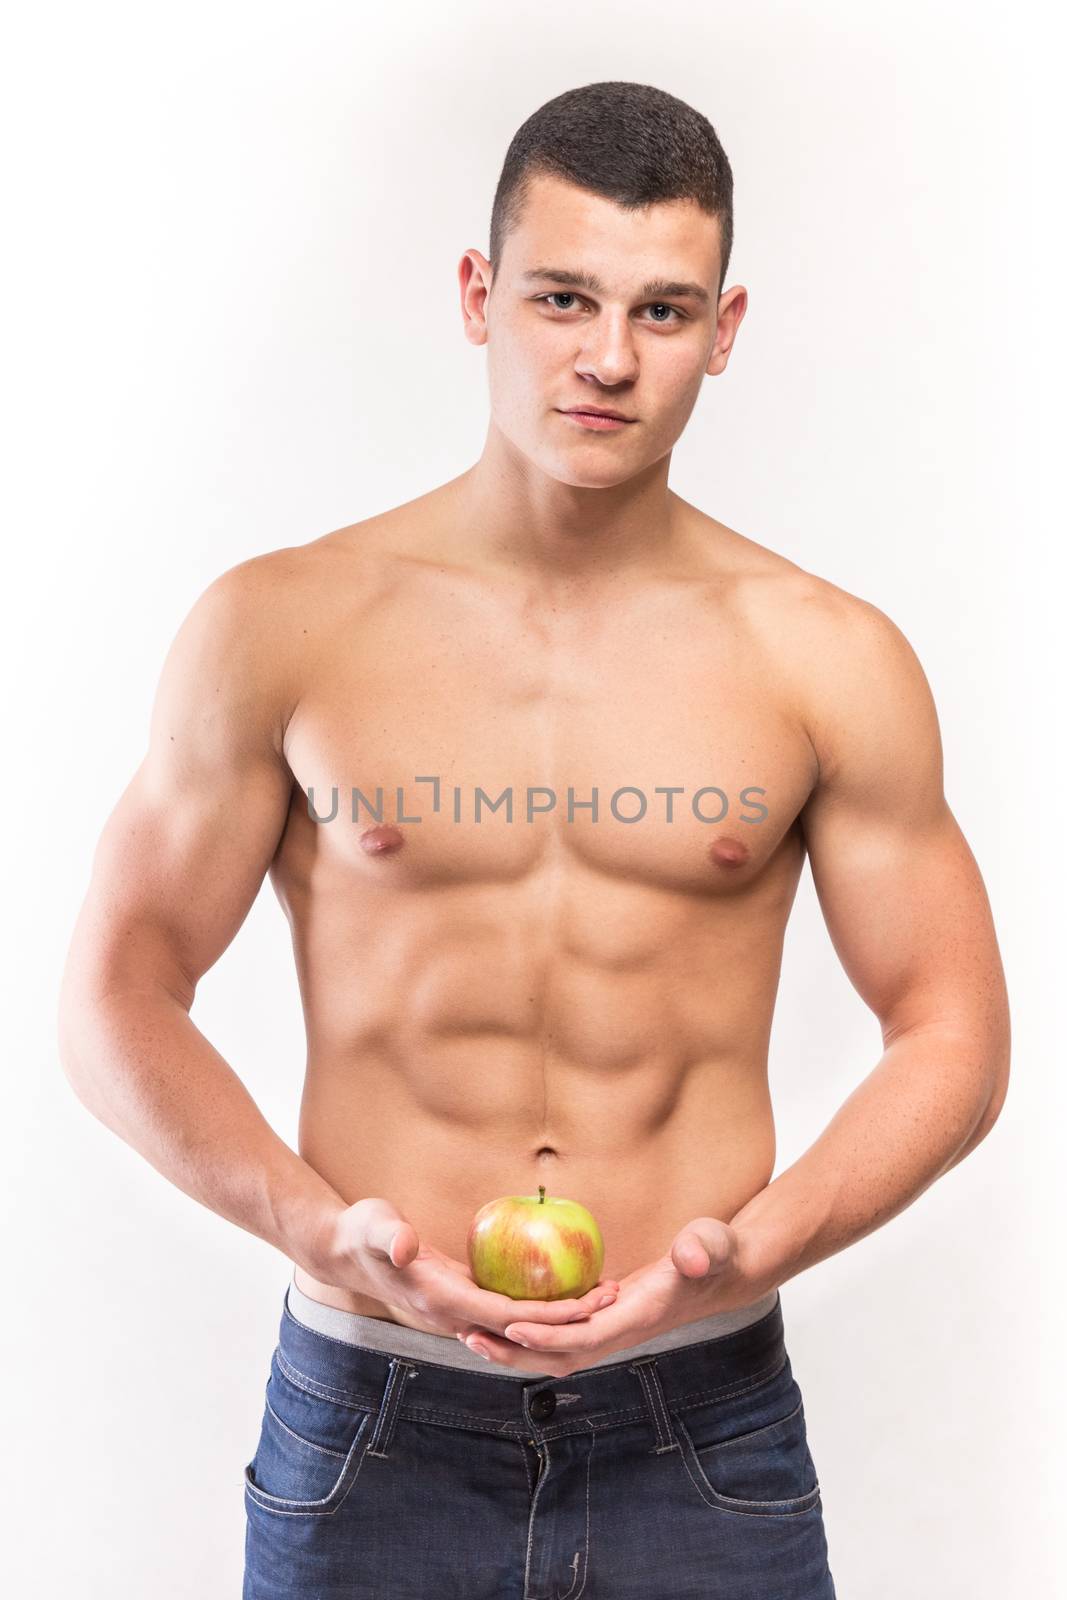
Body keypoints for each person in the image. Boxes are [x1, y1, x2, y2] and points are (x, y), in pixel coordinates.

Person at [57, 79, 1010, 1599]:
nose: (610, 359)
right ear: (477, 295)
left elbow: (954, 1033)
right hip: (371, 1416)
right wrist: (321, 1225)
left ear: (728, 326)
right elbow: (116, 992)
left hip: (701, 1420)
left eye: (665, 311)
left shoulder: (827, 658)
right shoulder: (283, 625)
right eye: (564, 298)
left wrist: (756, 1250)